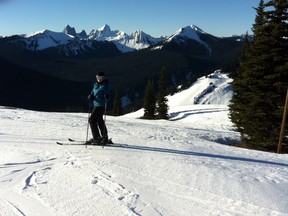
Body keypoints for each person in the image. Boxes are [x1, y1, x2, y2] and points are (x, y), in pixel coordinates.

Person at [87, 72, 110, 145]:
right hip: (96, 104)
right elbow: (93, 93)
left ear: (103, 78)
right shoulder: (96, 85)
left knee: (91, 120)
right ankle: (104, 137)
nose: (99, 79)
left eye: (100, 78)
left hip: (100, 105)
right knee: (99, 120)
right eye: (97, 78)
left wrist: (106, 96)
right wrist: (90, 96)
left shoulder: (105, 85)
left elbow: (108, 95)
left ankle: (97, 138)